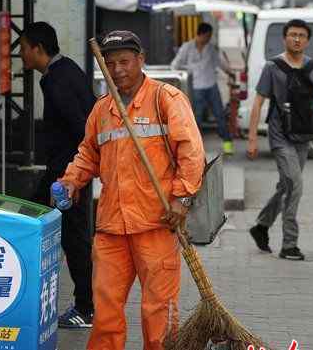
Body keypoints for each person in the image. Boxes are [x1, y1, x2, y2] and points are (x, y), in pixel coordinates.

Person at [59, 30, 205, 350]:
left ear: (141, 60)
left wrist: (182, 199)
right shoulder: (102, 109)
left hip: (157, 221)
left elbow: (192, 153)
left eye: (124, 61)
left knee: (158, 310)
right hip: (112, 226)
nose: (118, 70)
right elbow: (88, 154)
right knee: (106, 310)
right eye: (110, 64)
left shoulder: (166, 99)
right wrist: (71, 181)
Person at [19, 22, 97, 329]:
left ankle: (86, 308)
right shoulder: (64, 71)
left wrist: (71, 178)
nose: (21, 55)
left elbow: (80, 127)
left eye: (24, 48)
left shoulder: (56, 81)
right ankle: (28, 291)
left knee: (74, 237)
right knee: (34, 218)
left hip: (67, 175)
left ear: (38, 49)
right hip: (64, 170)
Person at [247, 19, 313, 261]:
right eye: (292, 35)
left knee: (286, 186)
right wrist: (253, 138)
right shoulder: (273, 67)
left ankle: (261, 225)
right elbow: (258, 103)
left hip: (304, 136)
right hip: (280, 136)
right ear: (285, 38)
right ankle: (289, 244)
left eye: (301, 35)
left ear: (307, 40)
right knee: (295, 185)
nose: (296, 39)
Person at [171, 22, 234, 154]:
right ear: (202, 34)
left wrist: (230, 72)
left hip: (211, 86)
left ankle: (227, 143)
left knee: (220, 114)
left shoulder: (212, 49)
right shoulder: (187, 47)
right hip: (196, 88)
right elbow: (175, 65)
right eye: (208, 36)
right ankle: (194, 147)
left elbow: (221, 63)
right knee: (196, 118)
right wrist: (189, 70)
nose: (209, 38)